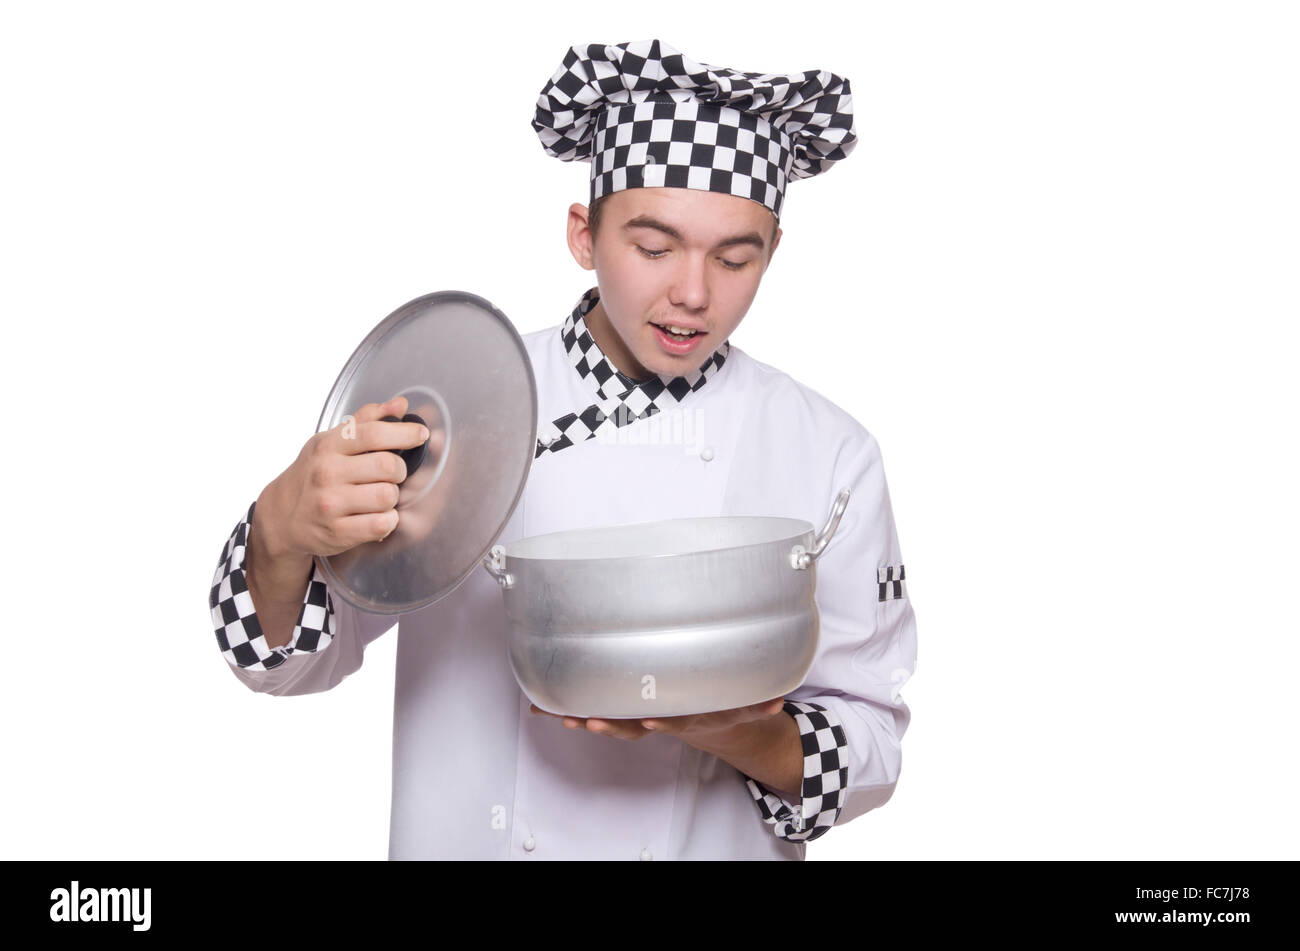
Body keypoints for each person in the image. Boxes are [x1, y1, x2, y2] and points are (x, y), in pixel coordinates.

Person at [208, 39, 918, 860]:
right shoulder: (463, 401)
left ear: (773, 250)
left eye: (734, 257)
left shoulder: (830, 453)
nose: (693, 292)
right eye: (653, 248)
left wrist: (737, 734)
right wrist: (281, 531)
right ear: (584, 233)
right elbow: (284, 662)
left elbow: (871, 740)